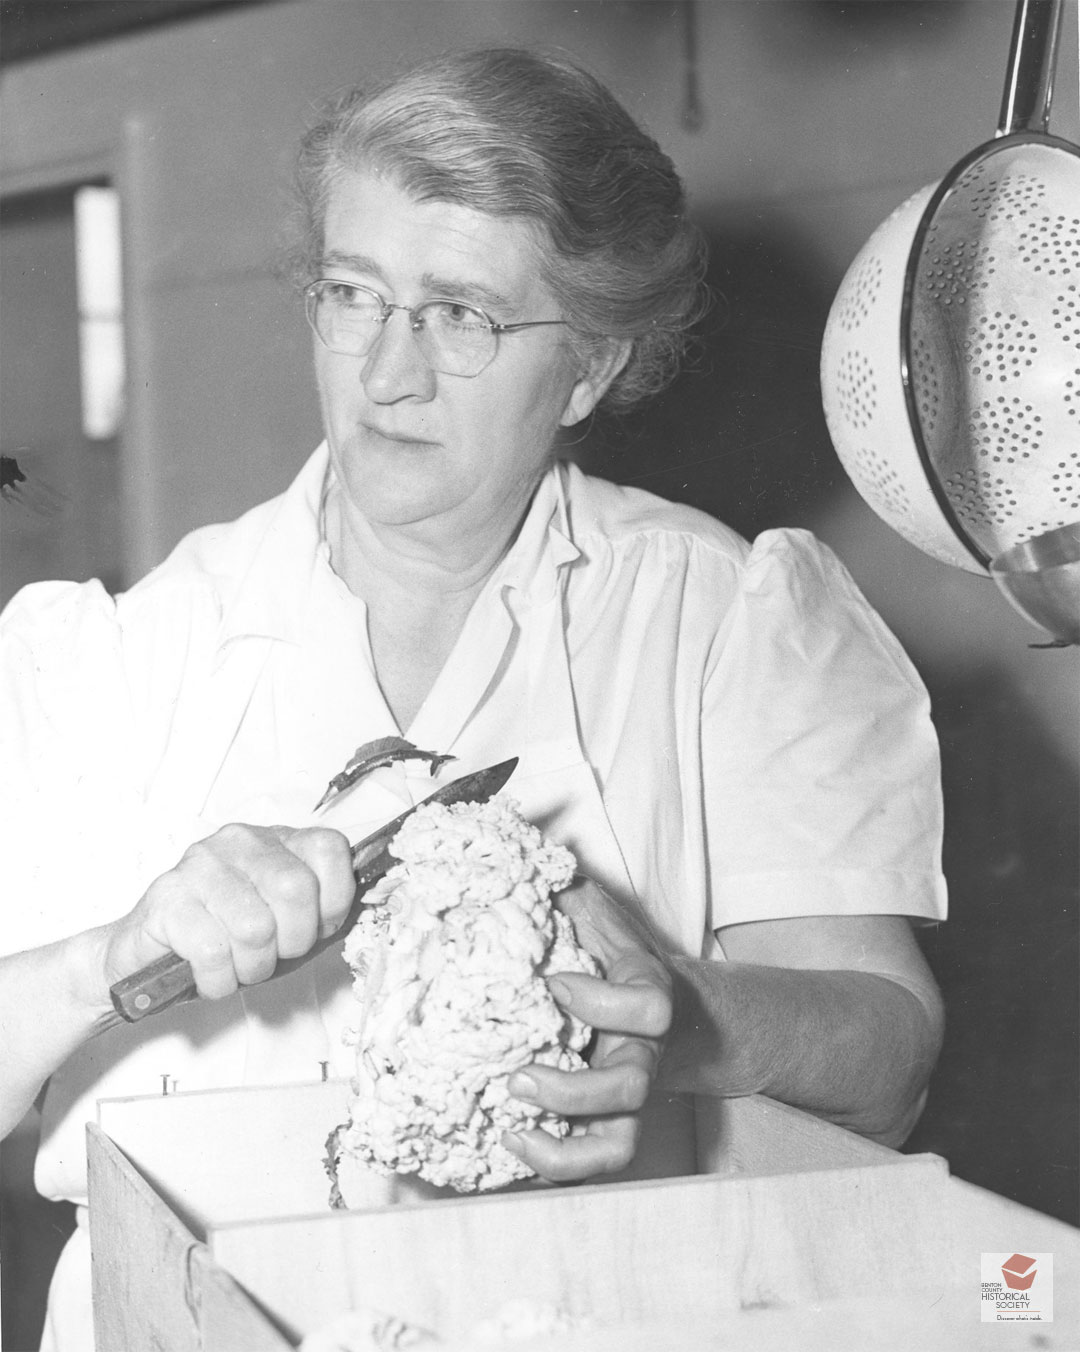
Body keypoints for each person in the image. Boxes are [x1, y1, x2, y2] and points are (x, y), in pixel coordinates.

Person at [0, 46, 946, 1350]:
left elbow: (888, 1055)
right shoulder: (106, 660)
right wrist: (102, 962)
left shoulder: (729, 625)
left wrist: (684, 1019)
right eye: (353, 294)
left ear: (592, 369)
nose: (387, 375)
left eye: (463, 316)